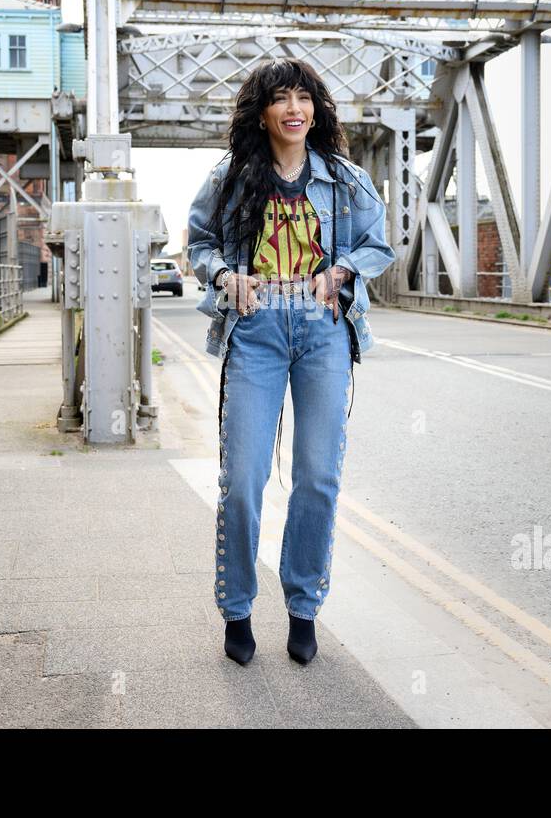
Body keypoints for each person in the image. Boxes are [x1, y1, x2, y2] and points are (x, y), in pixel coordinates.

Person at [185, 58, 395, 665]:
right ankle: (238, 609)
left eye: (305, 98)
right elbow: (198, 241)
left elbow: (376, 242)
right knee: (243, 480)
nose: (295, 109)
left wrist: (345, 269)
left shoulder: (344, 179)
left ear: (316, 110)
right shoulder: (229, 177)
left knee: (318, 476)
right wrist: (225, 274)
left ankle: (303, 608)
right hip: (256, 327)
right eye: (282, 99)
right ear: (262, 111)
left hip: (323, 326)